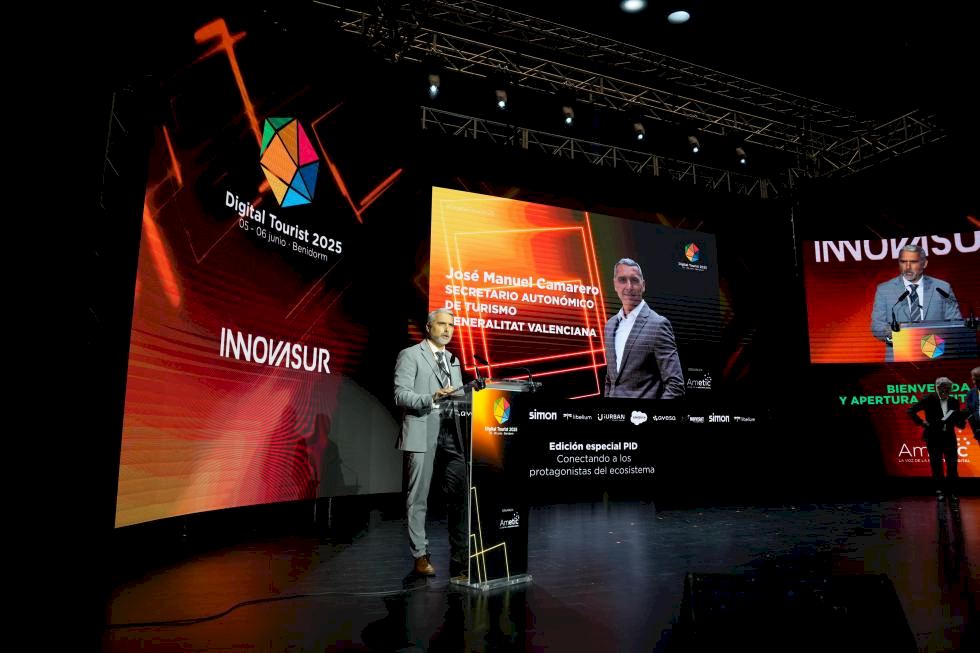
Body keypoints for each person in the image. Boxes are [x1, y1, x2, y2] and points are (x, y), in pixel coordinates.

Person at [394, 308, 468, 578]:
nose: (447, 330)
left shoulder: (453, 360)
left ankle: (461, 554)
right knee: (419, 498)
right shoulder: (411, 355)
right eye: (442, 324)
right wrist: (431, 397)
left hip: (452, 434)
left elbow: (460, 396)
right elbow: (400, 394)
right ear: (428, 327)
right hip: (422, 429)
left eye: (451, 325)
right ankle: (420, 555)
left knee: (460, 495)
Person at [604, 258, 685, 399]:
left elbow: (675, 385)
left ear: (643, 285)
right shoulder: (610, 326)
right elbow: (610, 380)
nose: (629, 286)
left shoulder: (658, 325)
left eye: (634, 280)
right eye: (622, 280)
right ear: (615, 284)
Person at [870, 244, 962, 361]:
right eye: (903, 262)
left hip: (936, 356)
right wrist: (900, 339)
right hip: (900, 357)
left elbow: (955, 322)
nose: (907, 267)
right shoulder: (885, 290)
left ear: (924, 263)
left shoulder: (942, 288)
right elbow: (877, 326)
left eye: (913, 262)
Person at [908, 376, 966, 500]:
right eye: (945, 389)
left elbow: (956, 418)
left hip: (949, 437)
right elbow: (911, 411)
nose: (947, 392)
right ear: (938, 388)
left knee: (952, 465)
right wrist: (922, 422)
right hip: (933, 437)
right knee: (936, 464)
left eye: (949, 389)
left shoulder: (953, 401)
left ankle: (953, 492)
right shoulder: (928, 398)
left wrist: (962, 421)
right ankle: (940, 491)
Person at [965, 366, 980, 443]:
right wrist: (975, 431)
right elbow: (970, 414)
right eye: (973, 379)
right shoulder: (970, 393)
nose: (974, 382)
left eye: (977, 380)